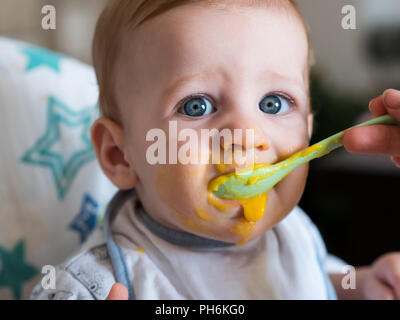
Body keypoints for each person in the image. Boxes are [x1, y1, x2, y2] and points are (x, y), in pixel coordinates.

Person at [30, 0, 400, 300]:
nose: (246, 135)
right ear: (119, 155)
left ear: (307, 131)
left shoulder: (294, 236)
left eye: (273, 103)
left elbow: (315, 285)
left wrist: (363, 287)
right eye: (197, 106)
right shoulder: (93, 287)